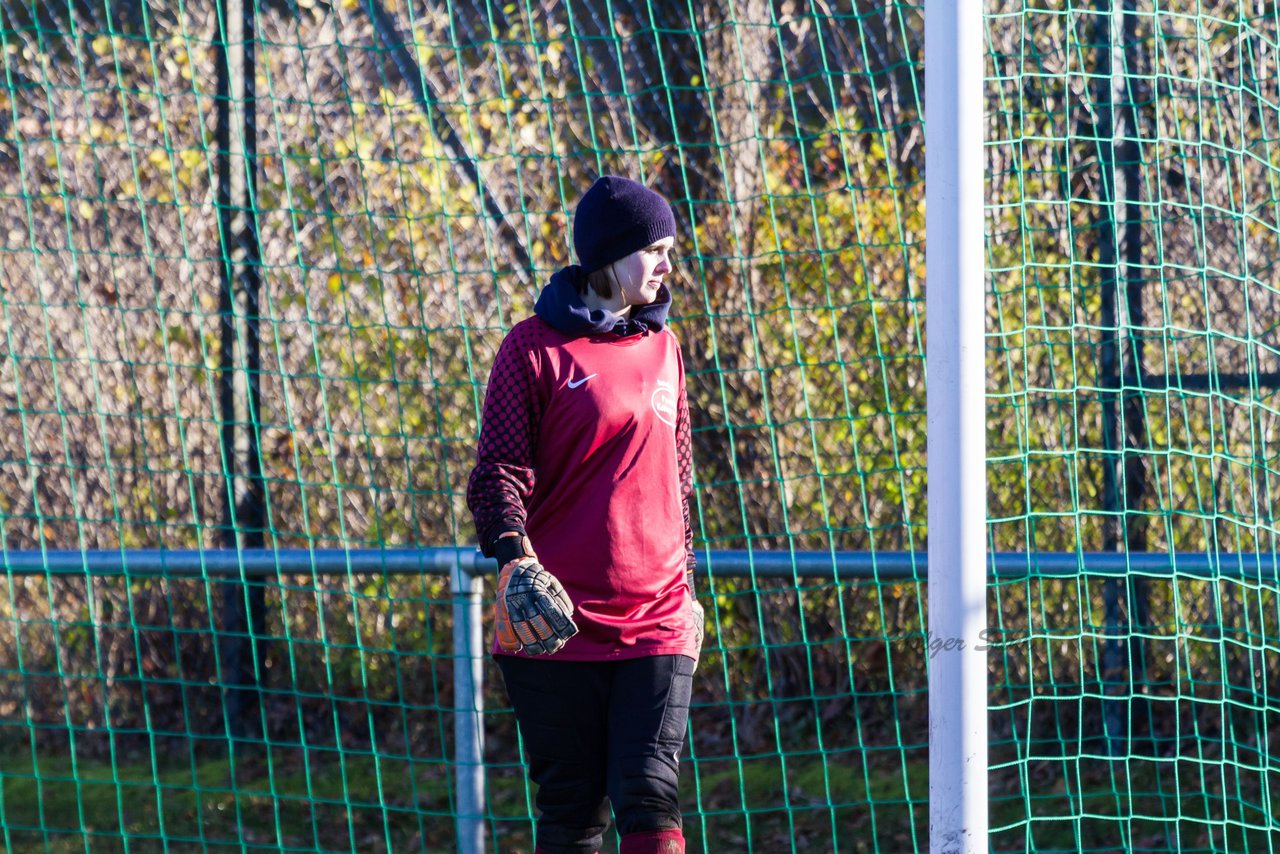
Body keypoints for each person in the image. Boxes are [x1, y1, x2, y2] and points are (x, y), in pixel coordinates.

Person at [467, 175, 703, 854]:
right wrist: (514, 557)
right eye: (654, 249)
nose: (666, 264)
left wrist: (685, 584)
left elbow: (678, 477)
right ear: (609, 255)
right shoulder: (531, 349)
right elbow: (498, 475)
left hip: (656, 618)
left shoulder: (665, 347)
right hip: (553, 622)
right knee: (573, 817)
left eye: (670, 249)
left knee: (651, 795)